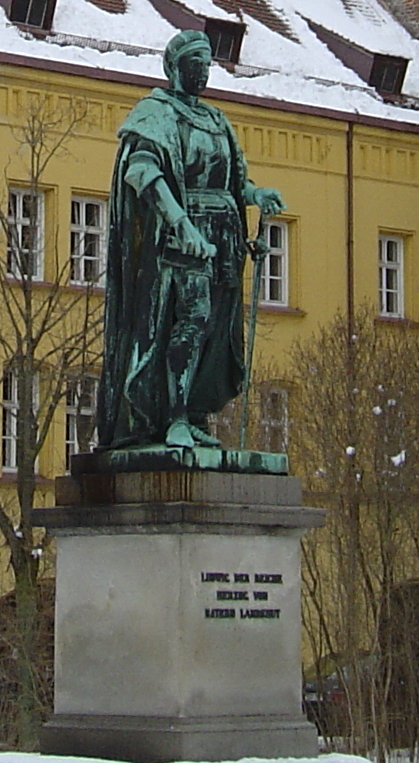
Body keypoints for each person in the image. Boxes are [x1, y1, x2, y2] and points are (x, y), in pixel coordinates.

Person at [99, 29, 285, 456]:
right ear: (175, 67)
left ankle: (196, 412)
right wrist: (181, 223)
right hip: (184, 234)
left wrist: (256, 196)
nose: (203, 70)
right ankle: (174, 417)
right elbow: (142, 172)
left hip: (225, 233)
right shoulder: (155, 112)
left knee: (215, 329)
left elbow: (234, 180)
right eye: (195, 62)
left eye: (207, 62)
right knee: (189, 320)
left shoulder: (217, 120)